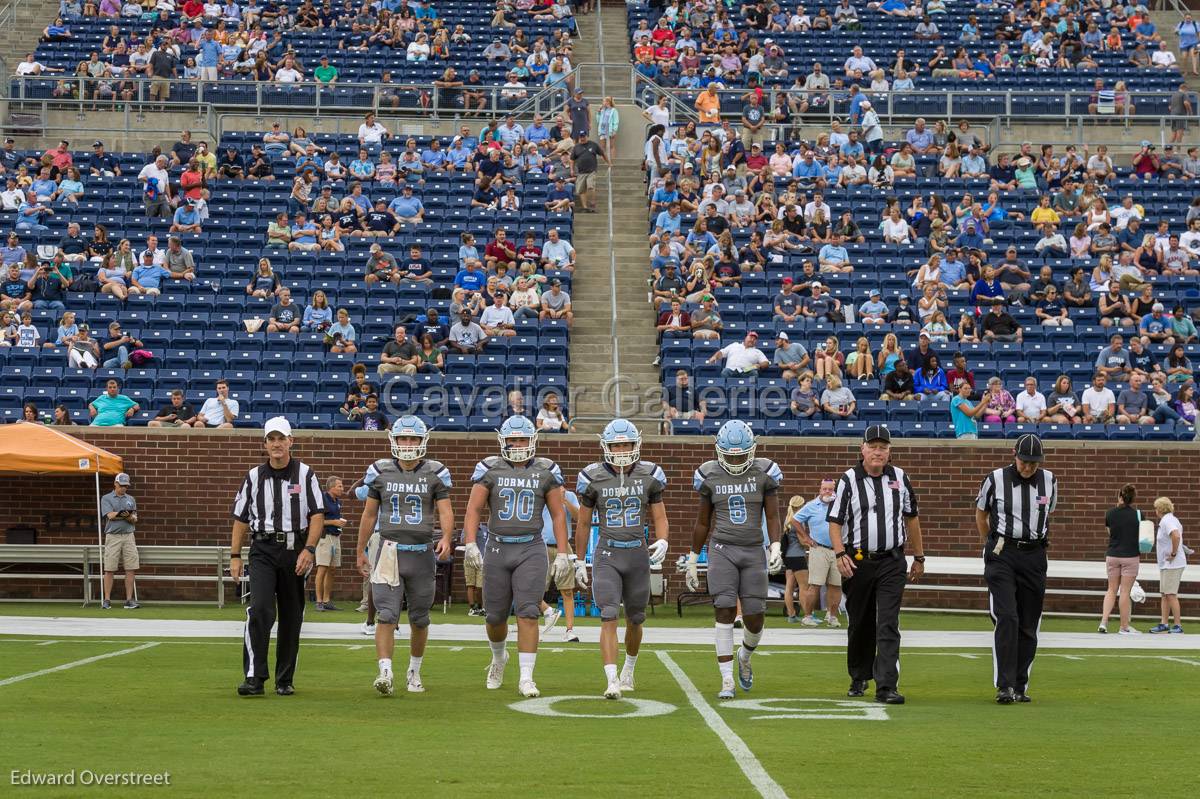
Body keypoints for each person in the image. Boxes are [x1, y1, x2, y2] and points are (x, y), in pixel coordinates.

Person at [462, 416, 570, 698]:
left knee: (528, 612)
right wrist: (471, 543)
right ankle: (499, 658)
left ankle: (526, 676)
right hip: (497, 547)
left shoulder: (546, 470)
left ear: (532, 440)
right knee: (495, 616)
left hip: (531, 548)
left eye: (522, 439)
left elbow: (559, 514)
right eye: (513, 439)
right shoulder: (489, 468)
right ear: (503, 441)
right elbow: (473, 509)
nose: (517, 444)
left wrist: (563, 552)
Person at [685, 420, 784, 700]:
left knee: (755, 619)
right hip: (722, 549)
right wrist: (693, 558)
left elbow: (773, 515)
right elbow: (703, 522)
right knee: (724, 608)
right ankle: (727, 679)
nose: (736, 460)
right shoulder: (709, 474)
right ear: (720, 451)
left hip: (753, 550)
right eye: (731, 455)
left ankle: (745, 655)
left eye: (741, 455)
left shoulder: (764, 472)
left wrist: (775, 545)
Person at [355, 417, 454, 695]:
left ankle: (414, 670)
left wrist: (446, 537)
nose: (408, 444)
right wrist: (360, 548)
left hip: (421, 552)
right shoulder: (380, 471)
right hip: (388, 551)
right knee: (386, 614)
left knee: (420, 618)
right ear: (393, 440)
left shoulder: (435, 472)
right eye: (403, 439)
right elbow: (369, 514)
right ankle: (385, 671)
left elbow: (445, 510)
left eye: (413, 439)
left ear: (422, 441)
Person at [829, 425, 925, 705]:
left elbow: (912, 518)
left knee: (888, 622)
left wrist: (919, 556)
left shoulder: (900, 477)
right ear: (863, 449)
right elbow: (834, 522)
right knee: (860, 622)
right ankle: (859, 675)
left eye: (883, 447)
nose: (878, 452)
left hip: (892, 561)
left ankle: (886, 686)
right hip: (858, 561)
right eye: (873, 447)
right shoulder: (848, 479)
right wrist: (838, 554)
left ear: (889, 452)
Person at [230, 417, 326, 696]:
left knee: (291, 615)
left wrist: (309, 549)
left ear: (290, 442)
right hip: (262, 548)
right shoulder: (252, 476)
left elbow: (317, 515)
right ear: (265, 444)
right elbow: (240, 518)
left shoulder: (306, 474)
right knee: (259, 609)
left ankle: (285, 679)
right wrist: (235, 555)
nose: (276, 444)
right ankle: (254, 676)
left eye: (281, 439)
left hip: (294, 549)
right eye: (271, 439)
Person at [574, 420, 669, 698]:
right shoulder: (593, 476)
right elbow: (582, 523)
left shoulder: (649, 475)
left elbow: (660, 516)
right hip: (607, 553)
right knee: (608, 616)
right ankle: (612, 678)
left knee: (636, 619)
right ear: (606, 447)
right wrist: (580, 559)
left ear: (635, 444)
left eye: (626, 444)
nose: (622, 450)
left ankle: (629, 668)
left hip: (637, 553)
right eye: (616, 445)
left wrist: (662, 538)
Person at [975, 434, 1058, 704]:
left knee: (1029, 623)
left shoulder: (1049, 481)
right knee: (1007, 616)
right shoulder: (995, 479)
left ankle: (1020, 684)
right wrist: (990, 544)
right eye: (1024, 462)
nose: (1028, 467)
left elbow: (1047, 515)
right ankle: (1005, 685)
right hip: (1003, 552)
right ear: (1014, 455)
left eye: (1034, 463)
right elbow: (981, 513)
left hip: (1034, 554)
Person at [792, 479, 843, 627]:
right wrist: (806, 537)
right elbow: (795, 520)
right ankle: (807, 616)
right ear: (820, 490)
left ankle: (832, 617)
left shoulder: (840, 505)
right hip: (818, 549)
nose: (827, 492)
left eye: (831, 489)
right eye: (825, 489)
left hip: (838, 550)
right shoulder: (812, 505)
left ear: (835, 491)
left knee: (836, 585)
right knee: (815, 584)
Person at [1099, 484, 1143, 635]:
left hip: (1112, 554)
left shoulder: (1110, 513)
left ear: (1120, 496)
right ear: (1133, 498)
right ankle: (1124, 627)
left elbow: (1110, 533)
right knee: (1125, 591)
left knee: (1111, 589)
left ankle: (1103, 622)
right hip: (1131, 556)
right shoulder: (1139, 514)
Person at [100, 473, 139, 609]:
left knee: (130, 568)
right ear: (115, 484)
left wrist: (124, 515)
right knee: (109, 568)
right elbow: (110, 515)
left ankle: (129, 600)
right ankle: (107, 600)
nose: (123, 488)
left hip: (129, 536)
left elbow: (134, 518)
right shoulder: (106, 498)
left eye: (126, 486)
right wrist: (126, 515)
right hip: (113, 536)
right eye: (121, 485)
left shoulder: (131, 499)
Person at [1150, 497, 1186, 634]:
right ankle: (1164, 623)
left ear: (1160, 509)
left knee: (1170, 594)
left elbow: (1176, 536)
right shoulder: (1169, 520)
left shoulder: (1167, 520)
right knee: (1165, 594)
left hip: (1173, 563)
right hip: (1166, 564)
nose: (1155, 511)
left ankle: (1177, 625)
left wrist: (1173, 553)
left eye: (1156, 508)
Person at [313, 476, 347, 612]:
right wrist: (333, 522)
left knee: (332, 569)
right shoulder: (322, 499)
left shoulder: (337, 501)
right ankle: (319, 601)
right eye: (339, 486)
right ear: (331, 487)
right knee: (322, 569)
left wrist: (338, 524)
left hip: (335, 537)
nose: (342, 489)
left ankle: (327, 600)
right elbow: (315, 520)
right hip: (324, 537)